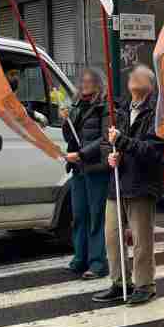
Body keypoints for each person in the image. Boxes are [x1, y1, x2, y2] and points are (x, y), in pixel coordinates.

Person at [93, 65, 164, 306]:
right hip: (117, 183)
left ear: (151, 84)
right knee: (112, 236)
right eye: (132, 75)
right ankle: (119, 282)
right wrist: (109, 156)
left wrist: (122, 142)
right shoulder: (121, 110)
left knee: (141, 238)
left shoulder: (157, 113)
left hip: (141, 183)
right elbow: (107, 141)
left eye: (140, 74)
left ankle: (145, 284)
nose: (133, 76)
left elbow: (152, 149)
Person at [61, 68, 109, 279]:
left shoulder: (104, 106)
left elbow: (106, 138)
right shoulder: (77, 106)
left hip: (96, 168)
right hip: (79, 170)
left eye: (90, 81)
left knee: (96, 215)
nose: (85, 84)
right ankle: (80, 258)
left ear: (99, 84)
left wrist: (82, 154)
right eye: (83, 81)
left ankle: (98, 263)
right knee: (79, 214)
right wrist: (65, 119)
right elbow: (69, 136)